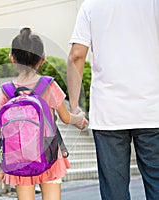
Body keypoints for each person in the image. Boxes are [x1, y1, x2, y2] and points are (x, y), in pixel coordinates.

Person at [67, 0, 159, 199]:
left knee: (114, 192)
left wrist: (74, 107)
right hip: (152, 110)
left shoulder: (91, 5)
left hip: (109, 114)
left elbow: (76, 55)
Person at [0, 27, 87, 200]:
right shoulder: (48, 85)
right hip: (49, 153)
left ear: (12, 59)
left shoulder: (6, 91)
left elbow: (0, 131)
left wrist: (0, 165)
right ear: (42, 60)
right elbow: (66, 118)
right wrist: (79, 119)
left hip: (19, 158)